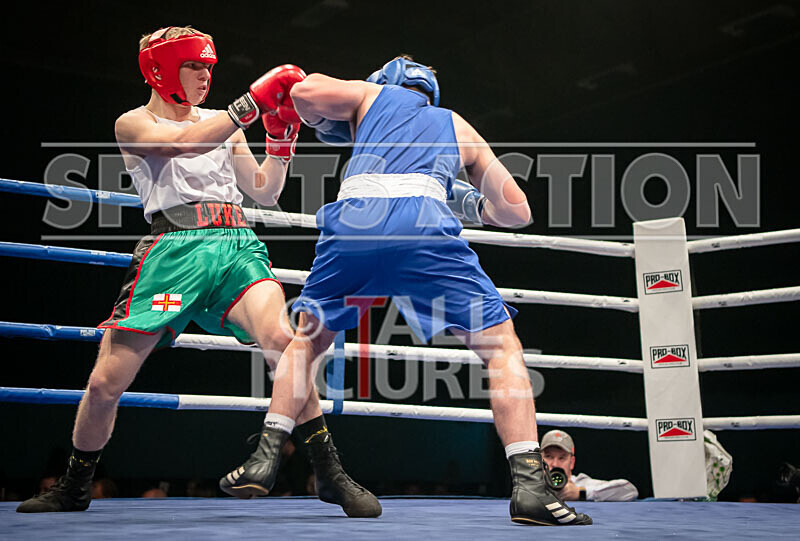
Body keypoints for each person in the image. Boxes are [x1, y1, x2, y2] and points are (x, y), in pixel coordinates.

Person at [17, 26, 379, 518]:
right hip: (173, 254)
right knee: (104, 383)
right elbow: (181, 145)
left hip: (236, 247)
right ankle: (75, 485)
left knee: (282, 339)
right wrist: (250, 105)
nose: (205, 76)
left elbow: (265, 191)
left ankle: (330, 473)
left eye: (209, 67)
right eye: (194, 66)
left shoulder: (221, 123)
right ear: (161, 71)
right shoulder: (134, 123)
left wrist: (281, 140)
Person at [219, 56, 592, 526]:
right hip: (424, 226)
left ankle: (265, 455)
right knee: (501, 348)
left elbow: (301, 91)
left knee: (307, 341)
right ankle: (531, 489)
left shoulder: (371, 94)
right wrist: (468, 201)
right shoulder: (457, 124)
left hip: (355, 223)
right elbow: (518, 211)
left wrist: (326, 115)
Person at [540, 429, 638, 502]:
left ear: (572, 462)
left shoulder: (582, 484)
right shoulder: (532, 485)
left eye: (562, 458)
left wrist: (581, 493)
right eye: (548, 457)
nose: (555, 464)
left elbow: (630, 490)